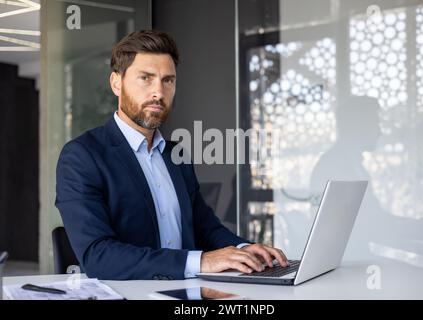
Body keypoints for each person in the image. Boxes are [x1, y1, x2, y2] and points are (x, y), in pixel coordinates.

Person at [55, 30, 288, 280]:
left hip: (187, 293)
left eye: (168, 80)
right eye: (146, 78)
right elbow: (98, 256)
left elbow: (205, 227)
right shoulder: (82, 157)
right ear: (116, 83)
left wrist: (245, 249)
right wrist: (200, 261)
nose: (158, 92)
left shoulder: (176, 154)